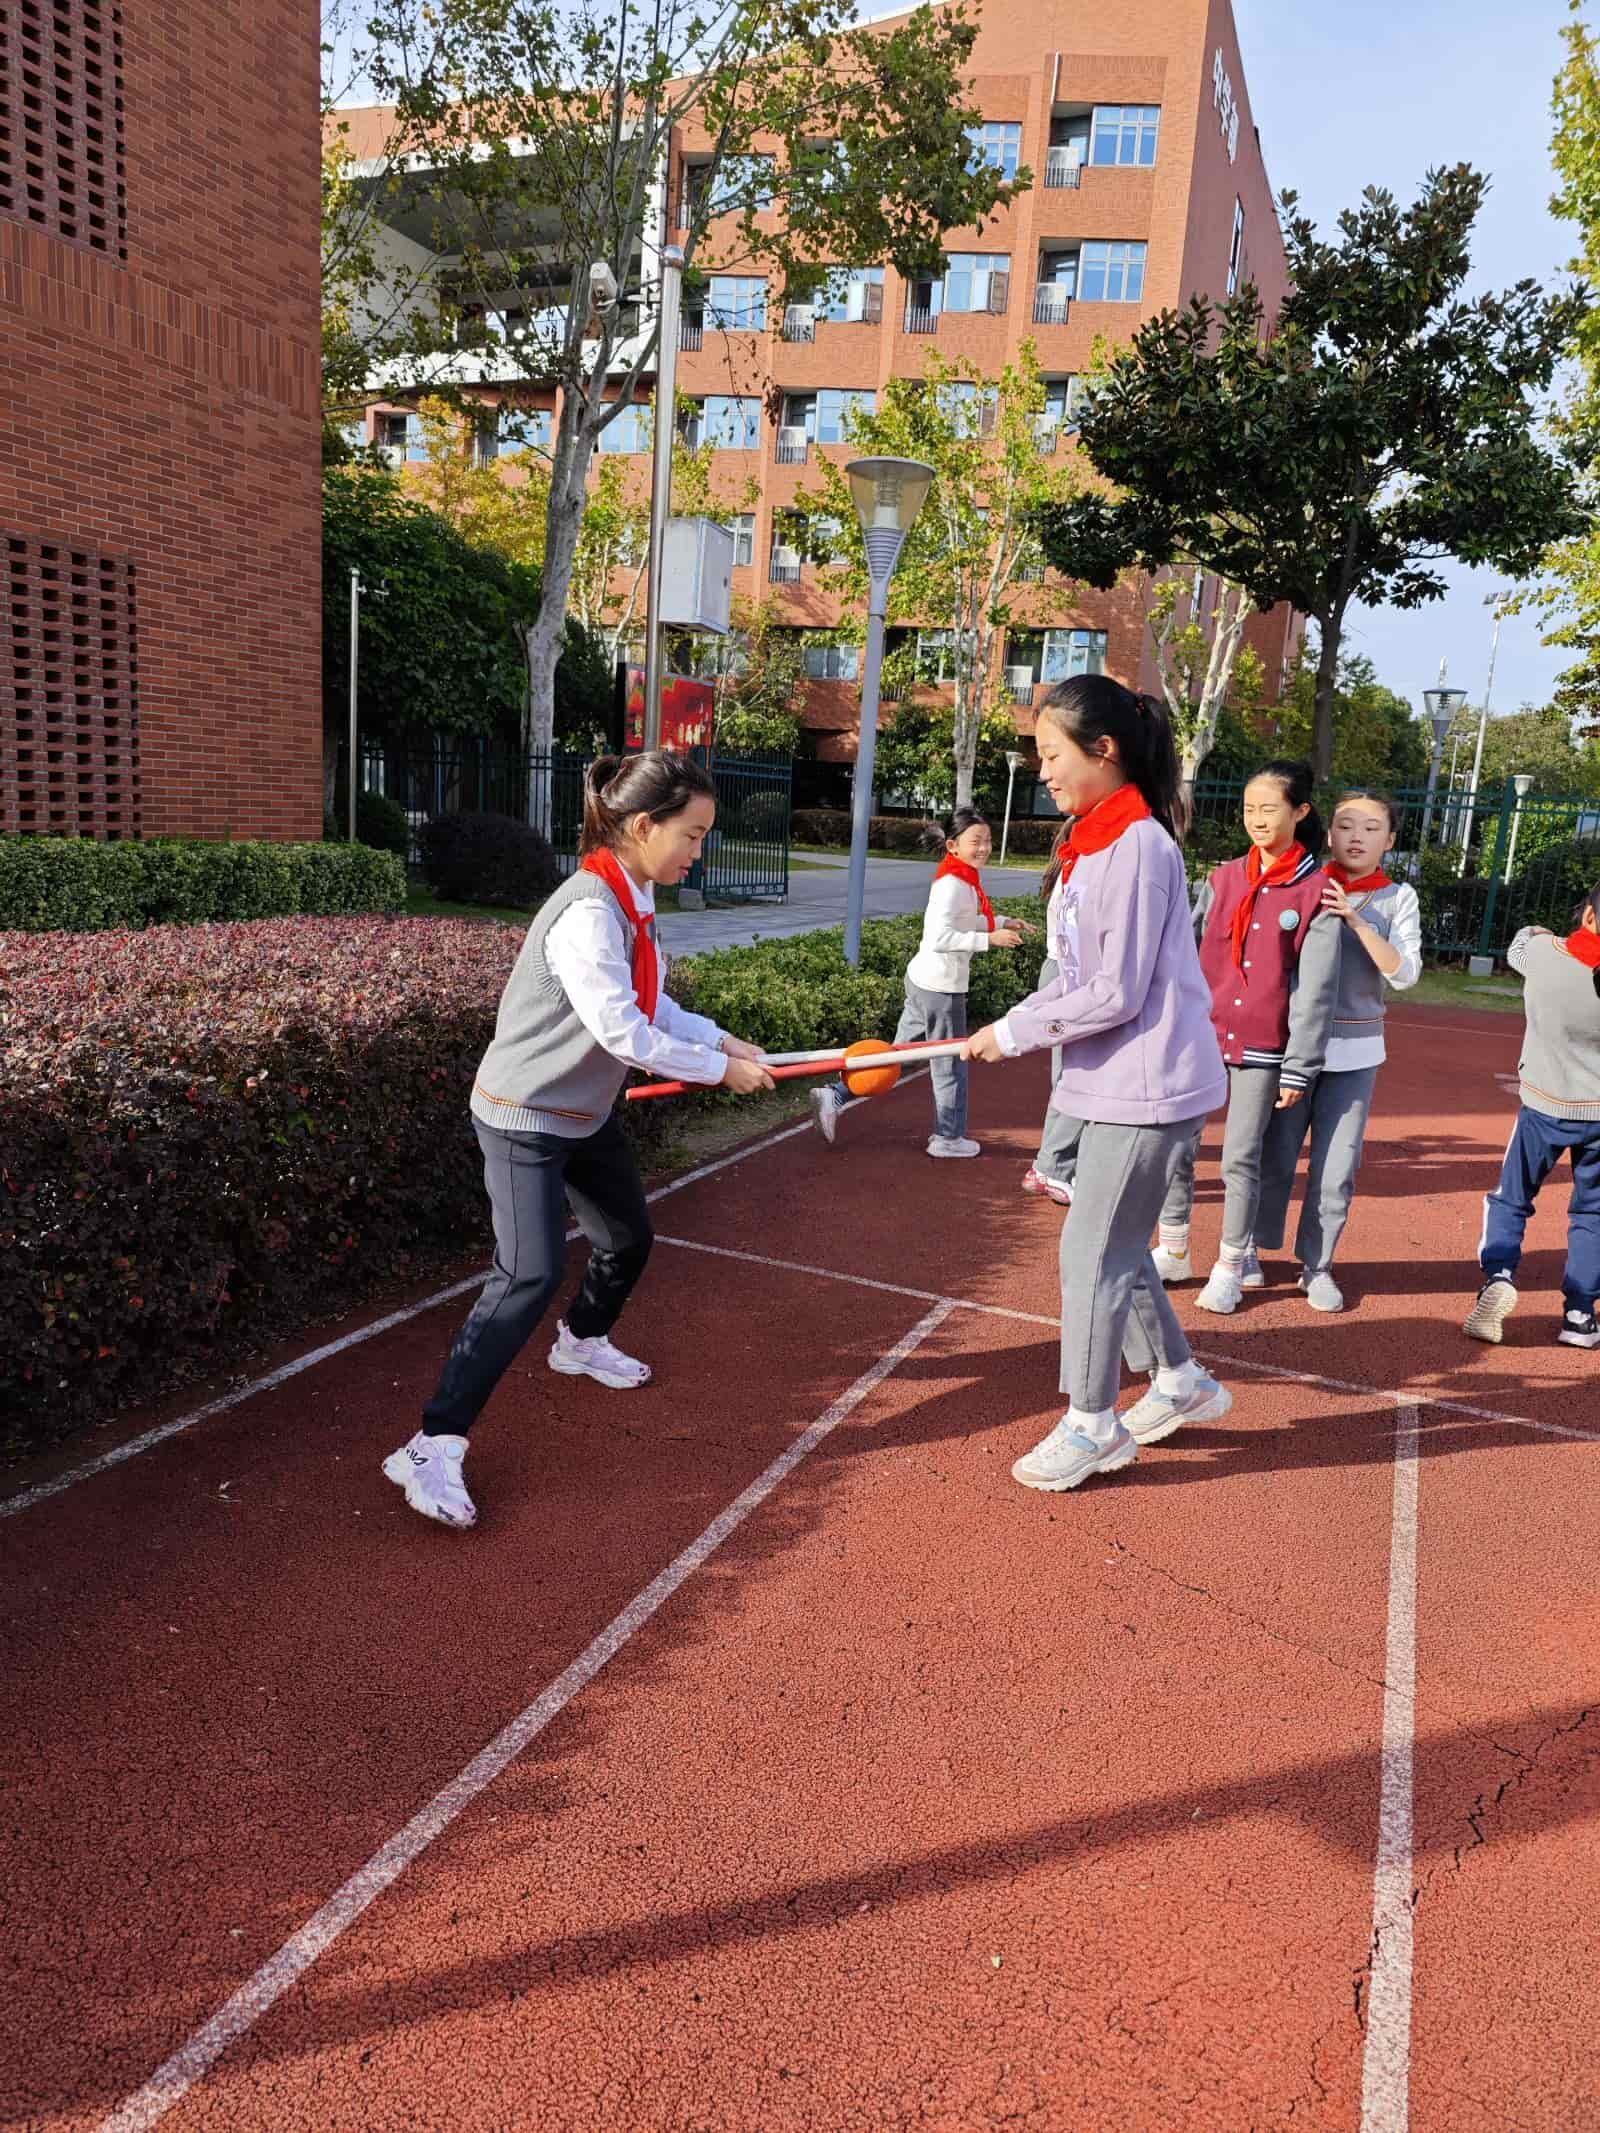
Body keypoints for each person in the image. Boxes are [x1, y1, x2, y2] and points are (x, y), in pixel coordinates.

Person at [385, 752, 775, 1529]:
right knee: (527, 1274)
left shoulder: (635, 898)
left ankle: (581, 1340)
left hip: (582, 1115)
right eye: (693, 834)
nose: (699, 852)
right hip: (523, 1114)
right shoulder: (589, 912)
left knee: (627, 1237)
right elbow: (623, 1031)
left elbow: (651, 1004)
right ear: (645, 825)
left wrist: (723, 1040)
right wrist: (718, 1072)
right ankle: (432, 1444)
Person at [964, 675, 1230, 1492]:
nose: (1042, 770)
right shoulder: (1092, 842)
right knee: (1113, 1241)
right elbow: (1074, 974)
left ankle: (1092, 1423)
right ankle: (1179, 1379)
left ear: (1103, 750)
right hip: (1110, 1078)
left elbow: (1115, 989)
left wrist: (1017, 1033)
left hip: (1146, 1085)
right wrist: (1013, 1020)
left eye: (1052, 754)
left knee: (1092, 1249)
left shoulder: (1139, 846)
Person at [1166, 761, 1341, 1316]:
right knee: (1176, 1145)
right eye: (1249, 809)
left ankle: (1231, 1265)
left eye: (1269, 809)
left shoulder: (1316, 891)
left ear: (1300, 811)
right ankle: (1174, 1246)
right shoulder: (1222, 879)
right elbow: (1185, 952)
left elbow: (1315, 990)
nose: (1257, 819)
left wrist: (1299, 1066)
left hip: (1263, 1044)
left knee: (1240, 1158)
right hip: (1202, 1034)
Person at [1254, 788, 1421, 1312]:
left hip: (1356, 1056)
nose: (1356, 837)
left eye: (1371, 829)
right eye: (1346, 826)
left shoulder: (1399, 898)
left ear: (1389, 841)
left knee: (1336, 1167)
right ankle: (1250, 1248)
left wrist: (1356, 920)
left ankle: (1318, 1265)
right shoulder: (1303, 883)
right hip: (1290, 1050)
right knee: (1273, 1155)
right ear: (1328, 834)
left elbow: (1405, 974)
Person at [811, 806, 1025, 1157]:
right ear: (953, 846)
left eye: (988, 840)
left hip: (926, 981)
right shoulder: (954, 884)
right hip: (940, 989)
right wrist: (990, 939)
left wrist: (1002, 922)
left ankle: (835, 1095)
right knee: (950, 1063)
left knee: (898, 1055)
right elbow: (941, 937)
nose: (985, 848)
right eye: (976, 841)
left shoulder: (961, 877)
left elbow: (962, 922)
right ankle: (948, 1138)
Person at [1465, 882, 1600, 1349]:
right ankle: (1579, 1314)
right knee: (1593, 1213)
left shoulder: (1544, 955)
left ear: (1588, 917)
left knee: (1512, 1197)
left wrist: (1537, 930)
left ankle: (1499, 1275)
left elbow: (1518, 945)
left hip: (1544, 1104)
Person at [1020, 824, 1076, 1207]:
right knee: (1076, 1076)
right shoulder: (1075, 874)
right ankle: (1052, 1166)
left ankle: (1056, 1164)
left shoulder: (1071, 870)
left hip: (1062, 974)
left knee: (1071, 1074)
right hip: (1067, 977)